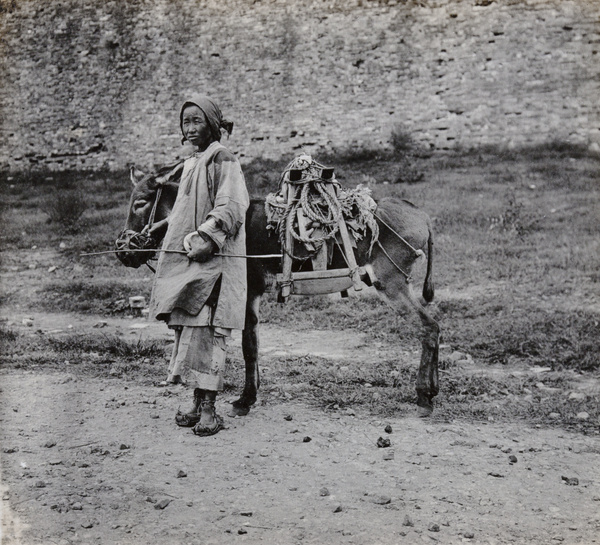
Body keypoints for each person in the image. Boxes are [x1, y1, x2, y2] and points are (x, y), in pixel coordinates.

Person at [148, 94, 249, 437]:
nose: (190, 128)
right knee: (191, 330)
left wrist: (207, 236)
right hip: (191, 259)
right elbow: (185, 207)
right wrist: (164, 228)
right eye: (185, 122)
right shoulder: (193, 161)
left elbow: (232, 205)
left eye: (197, 121)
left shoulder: (223, 159)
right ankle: (196, 401)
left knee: (209, 332)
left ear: (213, 125)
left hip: (215, 261)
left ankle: (209, 409)